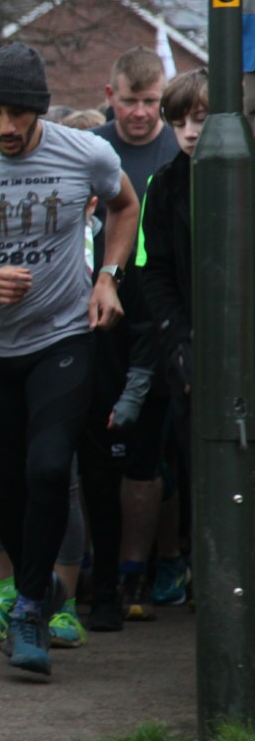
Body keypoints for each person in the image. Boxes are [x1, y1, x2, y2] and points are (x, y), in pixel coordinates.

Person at [0, 42, 138, 677]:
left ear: (40, 110)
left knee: (48, 468)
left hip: (62, 338)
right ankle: (33, 591)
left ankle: (27, 608)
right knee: (4, 485)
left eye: (18, 113)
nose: (7, 126)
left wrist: (108, 277)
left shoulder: (86, 153)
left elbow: (125, 204)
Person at [90, 49, 181, 623]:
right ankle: (96, 569)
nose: (142, 113)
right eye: (130, 101)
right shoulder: (91, 150)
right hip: (96, 316)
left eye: (151, 102)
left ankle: (136, 572)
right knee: (98, 450)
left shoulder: (179, 150)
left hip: (160, 318)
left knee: (150, 454)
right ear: (110, 96)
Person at [134, 67, 209, 605]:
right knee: (199, 472)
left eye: (199, 119)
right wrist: (178, 344)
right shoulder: (163, 186)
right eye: (179, 121)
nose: (189, 132)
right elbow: (154, 272)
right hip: (191, 351)